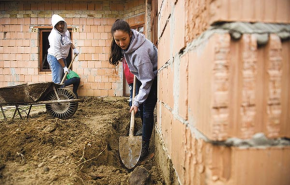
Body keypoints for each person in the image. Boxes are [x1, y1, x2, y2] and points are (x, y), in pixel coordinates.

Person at [109, 19, 158, 160]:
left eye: (123, 39)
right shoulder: (129, 44)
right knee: (141, 109)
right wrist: (137, 102)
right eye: (117, 40)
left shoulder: (140, 53)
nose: (121, 44)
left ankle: (144, 145)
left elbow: (148, 80)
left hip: (153, 77)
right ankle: (143, 133)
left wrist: (136, 102)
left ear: (130, 34)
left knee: (147, 110)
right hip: (143, 75)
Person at [47, 14, 79, 84]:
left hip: (63, 57)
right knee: (58, 80)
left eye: (61, 23)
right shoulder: (54, 36)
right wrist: (64, 67)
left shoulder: (66, 32)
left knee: (63, 79)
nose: (60, 26)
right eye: (58, 24)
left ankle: (60, 94)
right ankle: (55, 94)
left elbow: (68, 41)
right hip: (54, 58)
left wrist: (74, 48)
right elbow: (57, 54)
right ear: (55, 26)